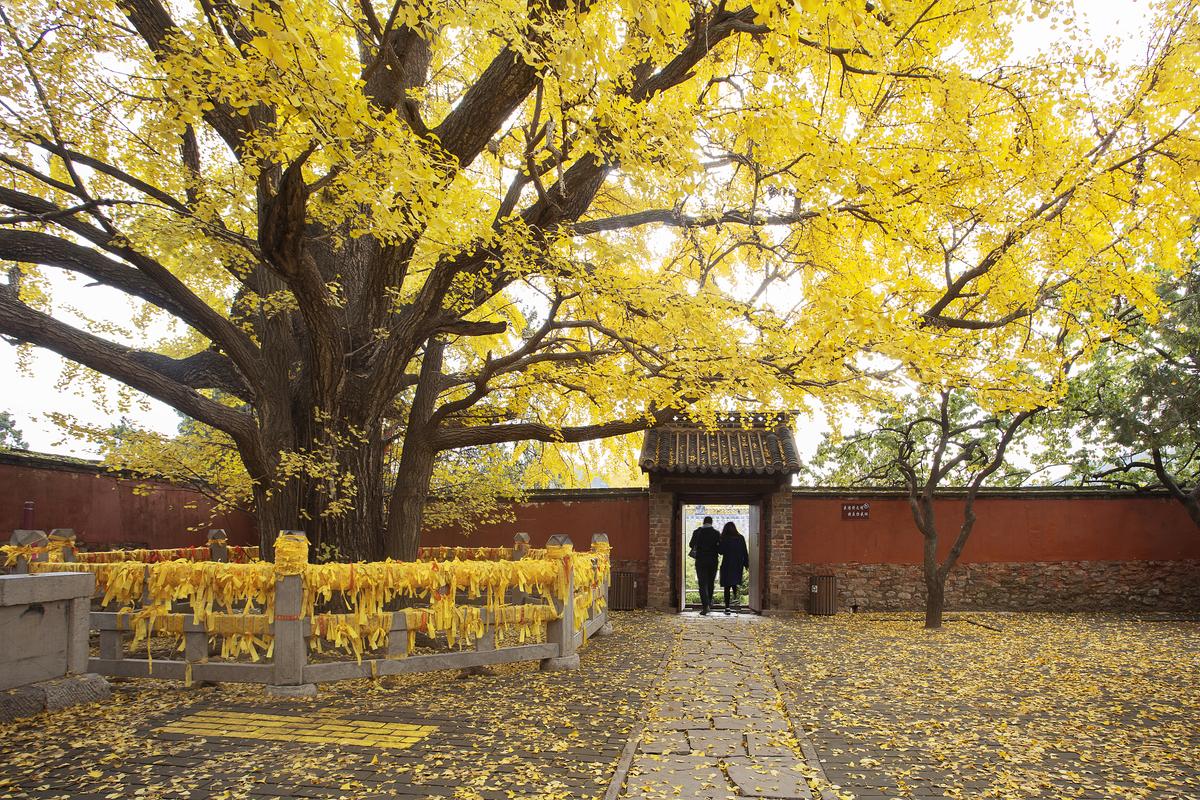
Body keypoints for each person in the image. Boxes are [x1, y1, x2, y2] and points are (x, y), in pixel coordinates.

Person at [688, 516, 721, 615]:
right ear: (711, 522)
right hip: (712, 560)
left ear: (703, 522)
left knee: (702, 584)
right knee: (711, 582)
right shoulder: (716, 533)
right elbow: (719, 548)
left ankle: (705, 606)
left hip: (700, 560)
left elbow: (691, 544)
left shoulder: (697, 532)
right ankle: (709, 603)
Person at [717, 521, 749, 614]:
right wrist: (746, 564)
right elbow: (744, 552)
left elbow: (720, 552)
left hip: (727, 563)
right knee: (735, 580)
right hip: (738, 564)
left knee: (727, 586)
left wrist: (719, 543)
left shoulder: (724, 539)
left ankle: (727, 607)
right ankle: (735, 595)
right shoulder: (741, 538)